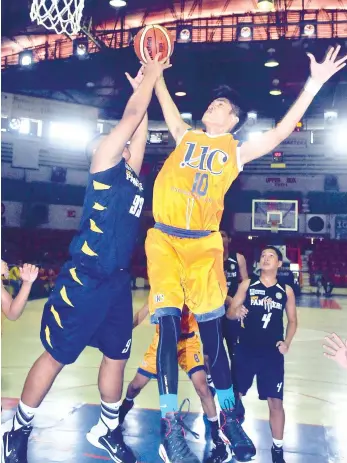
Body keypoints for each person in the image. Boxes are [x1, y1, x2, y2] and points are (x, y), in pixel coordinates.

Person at [144, 44, 346, 462]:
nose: (212, 106)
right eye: (212, 102)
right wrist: (155, 71)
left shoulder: (235, 151)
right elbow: (163, 101)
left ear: (232, 120)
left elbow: (281, 130)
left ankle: (229, 415)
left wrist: (314, 84)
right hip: (164, 238)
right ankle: (169, 425)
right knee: (166, 327)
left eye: (221, 104)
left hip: (203, 244)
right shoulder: (185, 136)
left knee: (213, 332)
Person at [2, 52, 170, 463]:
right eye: (113, 139)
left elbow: (140, 134)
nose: (121, 140)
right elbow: (130, 120)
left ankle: (108, 430)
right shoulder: (103, 163)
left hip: (115, 281)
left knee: (118, 356)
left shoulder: (131, 173)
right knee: (57, 357)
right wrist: (150, 76)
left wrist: (143, 93)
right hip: (85, 277)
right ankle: (17, 430)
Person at [119, 303, 231, 463]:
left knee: (203, 388)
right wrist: (125, 330)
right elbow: (143, 311)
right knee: (135, 386)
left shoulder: (191, 286)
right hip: (162, 341)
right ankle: (123, 410)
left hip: (188, 342)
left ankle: (218, 440)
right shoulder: (164, 285)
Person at [226, 246, 298, 463]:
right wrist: (235, 312)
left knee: (276, 402)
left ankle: (277, 450)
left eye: (271, 256)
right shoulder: (248, 284)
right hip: (246, 349)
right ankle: (230, 439)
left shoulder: (286, 290)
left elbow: (293, 321)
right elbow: (230, 313)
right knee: (233, 398)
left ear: (279, 264)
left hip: (272, 354)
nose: (266, 259)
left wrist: (287, 342)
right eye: (263, 256)